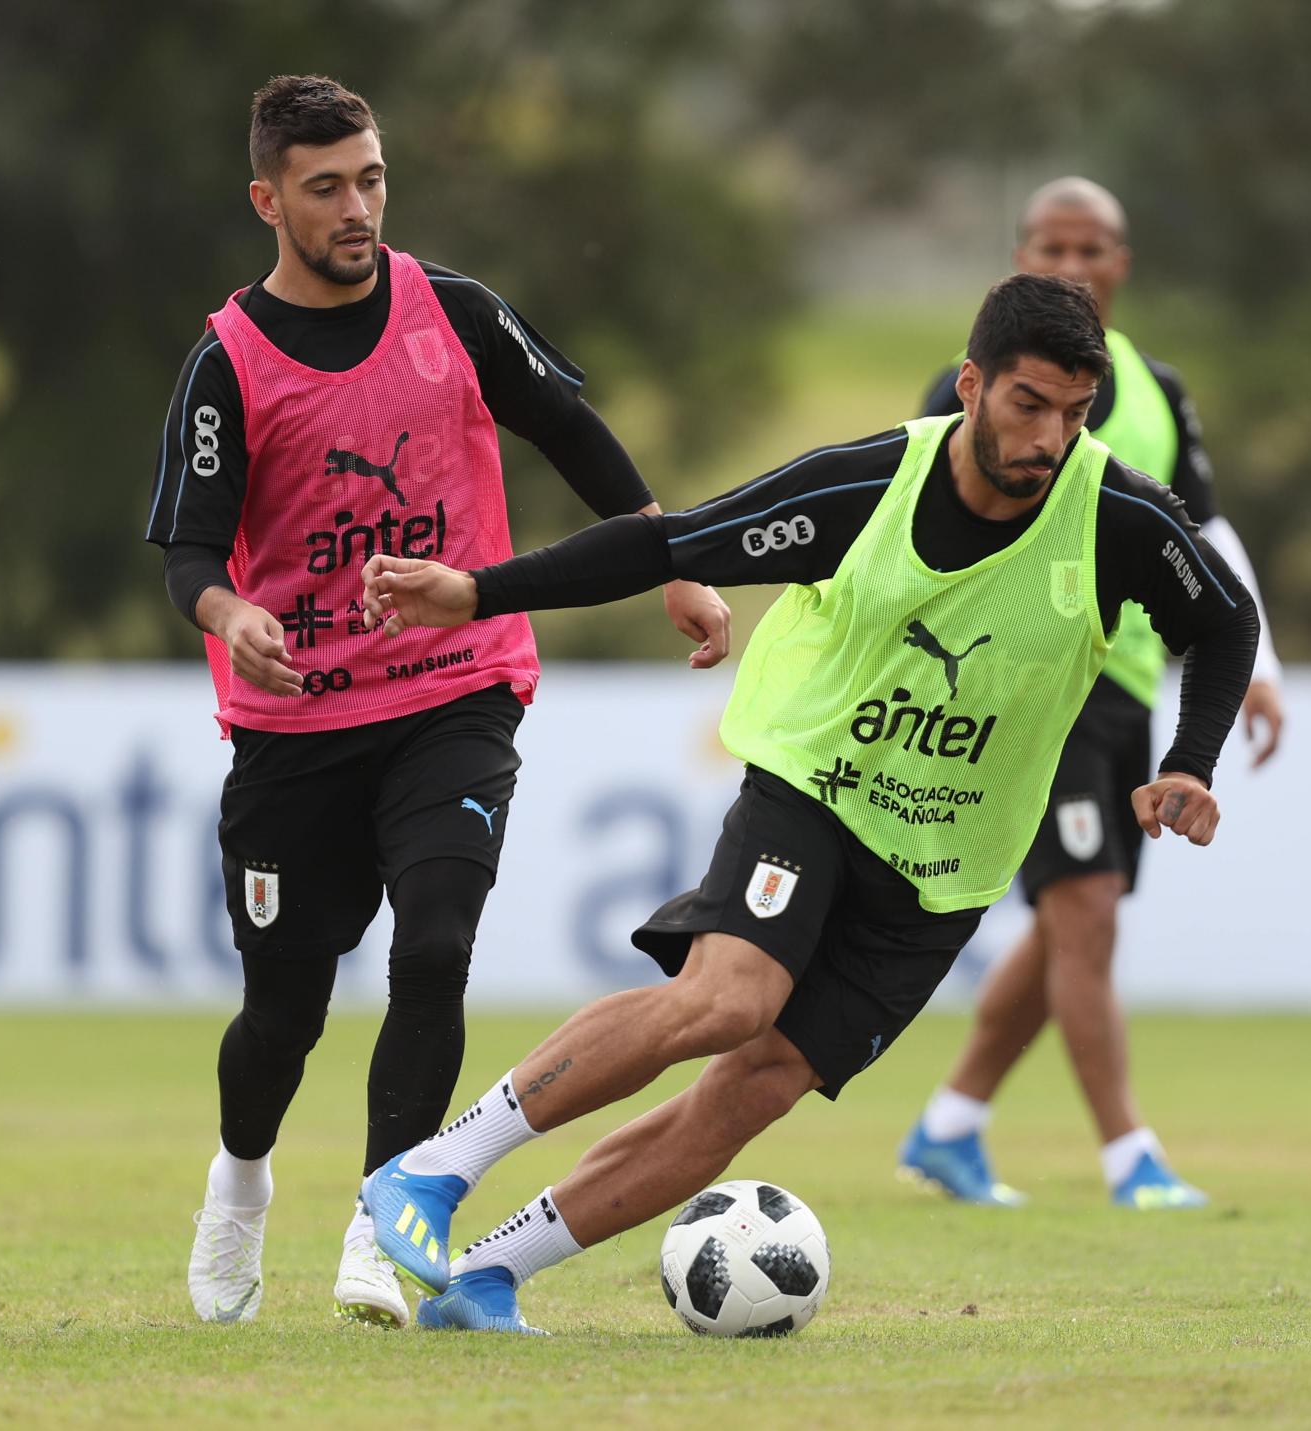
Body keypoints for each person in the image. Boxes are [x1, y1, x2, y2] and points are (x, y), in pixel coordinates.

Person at [354, 272, 1259, 1334]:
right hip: (815, 787)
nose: (1049, 439)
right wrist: (478, 591)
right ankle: (429, 1172)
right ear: (970, 385)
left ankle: (483, 1278)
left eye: (1073, 412)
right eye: (1027, 405)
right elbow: (674, 540)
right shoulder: (865, 485)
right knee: (725, 1000)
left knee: (755, 1087)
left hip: (947, 861)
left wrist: (1191, 760)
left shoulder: (1113, 513)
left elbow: (1222, 620)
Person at [145, 74, 729, 1327]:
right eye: (325, 188)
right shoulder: (226, 362)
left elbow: (570, 432)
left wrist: (667, 564)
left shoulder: (451, 312)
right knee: (282, 1014)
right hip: (296, 724)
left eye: (370, 179)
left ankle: (381, 1217)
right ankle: (240, 1181)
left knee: (438, 946)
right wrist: (231, 614)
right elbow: (191, 551)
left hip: (453, 693)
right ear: (268, 201)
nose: (357, 207)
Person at [899, 178, 1283, 1211]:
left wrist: (1263, 668)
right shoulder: (964, 387)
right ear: (1017, 258)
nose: (1072, 267)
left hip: (1124, 687)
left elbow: (1205, 538)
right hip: (1024, 691)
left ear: (1122, 263)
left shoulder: (1155, 389)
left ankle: (949, 1123)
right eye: (1051, 248)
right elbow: (901, 525)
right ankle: (1129, 1157)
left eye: (1092, 248)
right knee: (1083, 913)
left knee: (1083, 911)